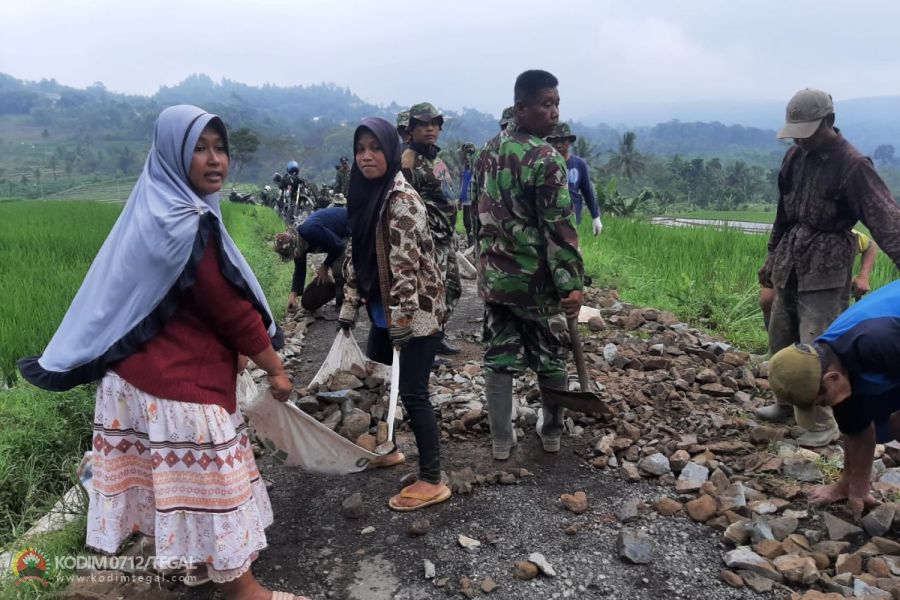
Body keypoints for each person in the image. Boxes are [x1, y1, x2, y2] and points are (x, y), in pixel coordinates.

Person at [18, 105, 305, 600]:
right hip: (173, 388)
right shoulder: (186, 222)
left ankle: (198, 570)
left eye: (221, 149)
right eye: (200, 148)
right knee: (217, 485)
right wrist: (276, 370)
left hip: (138, 383)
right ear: (173, 153)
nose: (215, 160)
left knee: (182, 490)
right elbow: (231, 310)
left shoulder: (154, 208)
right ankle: (244, 591)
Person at [755, 87, 900, 447]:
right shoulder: (793, 158)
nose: (801, 142)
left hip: (827, 266)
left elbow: (886, 221)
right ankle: (785, 403)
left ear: (830, 123)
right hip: (790, 260)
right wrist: (772, 258)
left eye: (808, 134)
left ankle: (821, 422)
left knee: (816, 344)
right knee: (781, 338)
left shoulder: (853, 166)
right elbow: (782, 216)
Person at [338, 116, 452, 511]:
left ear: (388, 150)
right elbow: (357, 255)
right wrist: (349, 306)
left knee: (414, 392)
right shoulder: (365, 194)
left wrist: (402, 320)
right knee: (380, 380)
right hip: (384, 314)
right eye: (360, 149)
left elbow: (404, 266)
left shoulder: (401, 200)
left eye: (374, 148)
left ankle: (433, 479)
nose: (366, 156)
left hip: (416, 314)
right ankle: (387, 450)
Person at [474, 70, 584, 460]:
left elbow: (477, 213)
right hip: (536, 284)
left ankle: (502, 440)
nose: (553, 113)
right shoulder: (546, 158)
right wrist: (570, 283)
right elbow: (559, 230)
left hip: (496, 280)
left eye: (556, 103)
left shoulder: (486, 151)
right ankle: (551, 430)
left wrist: (483, 265)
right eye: (545, 104)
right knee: (550, 355)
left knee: (500, 356)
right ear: (521, 107)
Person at [767, 278, 900, 519]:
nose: (824, 406)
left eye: (821, 401)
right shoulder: (827, 360)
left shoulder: (878, 341)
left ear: (832, 378)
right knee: (868, 419)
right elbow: (855, 426)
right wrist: (854, 488)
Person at [401, 102, 462, 356]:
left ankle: (438, 337)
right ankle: (423, 349)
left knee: (453, 288)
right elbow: (403, 205)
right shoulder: (409, 162)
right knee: (428, 293)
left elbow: (448, 195)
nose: (430, 129)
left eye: (434, 124)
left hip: (445, 236)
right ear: (412, 129)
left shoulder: (436, 158)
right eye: (424, 124)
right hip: (427, 240)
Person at [759, 230, 879, 329]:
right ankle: (774, 351)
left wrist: (863, 276)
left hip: (826, 287)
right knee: (767, 299)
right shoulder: (795, 231)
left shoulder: (844, 235)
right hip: (791, 276)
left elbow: (870, 245)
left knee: (814, 323)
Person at [273, 206, 349, 311]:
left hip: (348, 226)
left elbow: (338, 246)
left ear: (297, 246)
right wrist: (293, 293)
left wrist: (325, 266)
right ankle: (338, 290)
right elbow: (300, 271)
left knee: (338, 266)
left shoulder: (311, 231)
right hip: (334, 236)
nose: (295, 258)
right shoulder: (299, 247)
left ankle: (343, 302)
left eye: (293, 255)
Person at [546, 122, 603, 235]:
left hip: (572, 218)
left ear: (569, 141)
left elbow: (587, 191)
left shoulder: (579, 164)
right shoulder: (546, 164)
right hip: (550, 218)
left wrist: (596, 217)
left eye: (562, 141)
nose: (559, 145)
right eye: (555, 141)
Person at [458, 142, 477, 246]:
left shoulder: (468, 165)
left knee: (468, 220)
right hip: (476, 196)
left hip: (469, 196)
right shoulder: (478, 161)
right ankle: (473, 241)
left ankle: (471, 241)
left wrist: (461, 199)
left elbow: (465, 183)